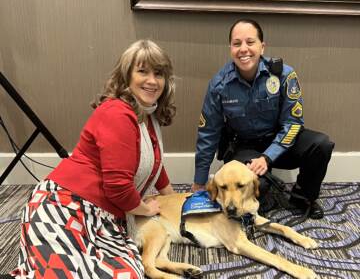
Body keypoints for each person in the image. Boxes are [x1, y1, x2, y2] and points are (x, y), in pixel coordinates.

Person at [11, 39, 176, 278]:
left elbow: (154, 165)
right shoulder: (118, 113)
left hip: (104, 215)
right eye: (143, 71)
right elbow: (118, 187)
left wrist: (174, 201)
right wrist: (145, 209)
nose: (152, 81)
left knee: (127, 273)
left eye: (159, 74)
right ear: (126, 76)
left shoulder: (148, 117)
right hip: (64, 207)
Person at [192, 19, 334, 219]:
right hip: (244, 147)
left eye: (250, 42)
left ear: (262, 46)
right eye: (237, 43)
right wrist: (199, 181)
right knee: (260, 190)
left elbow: (293, 124)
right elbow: (208, 133)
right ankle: (265, 190)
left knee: (321, 144)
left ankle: (303, 197)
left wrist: (268, 157)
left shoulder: (284, 75)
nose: (244, 49)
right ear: (230, 48)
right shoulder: (219, 85)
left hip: (279, 143)